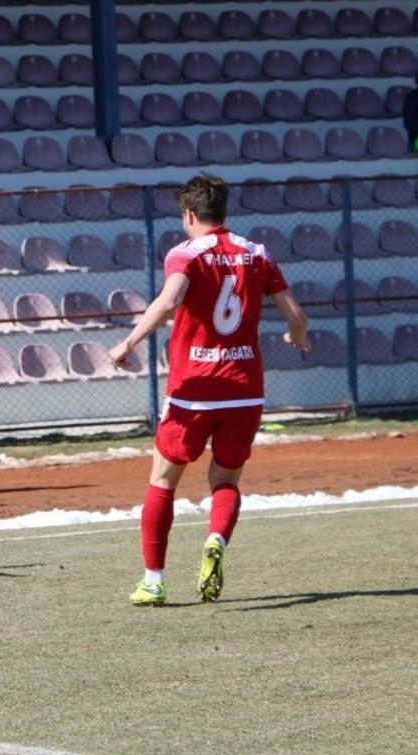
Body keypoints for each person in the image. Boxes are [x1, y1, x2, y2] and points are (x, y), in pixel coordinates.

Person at [107, 174, 310, 607]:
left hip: (193, 390)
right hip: (244, 389)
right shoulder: (257, 253)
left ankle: (154, 581)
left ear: (189, 215)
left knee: (163, 480)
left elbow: (168, 302)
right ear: (224, 212)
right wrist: (296, 334)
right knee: (226, 478)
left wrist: (128, 342)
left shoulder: (185, 254)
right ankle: (216, 538)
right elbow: (296, 312)